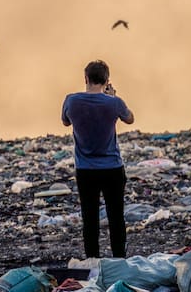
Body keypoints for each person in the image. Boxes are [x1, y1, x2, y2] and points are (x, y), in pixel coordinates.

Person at [61, 59, 135, 258]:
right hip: (112, 168)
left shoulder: (72, 100)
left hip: (85, 169)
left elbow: (66, 122)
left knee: (90, 218)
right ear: (106, 80)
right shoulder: (114, 103)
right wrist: (111, 97)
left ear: (85, 78)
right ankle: (119, 259)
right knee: (116, 217)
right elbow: (129, 118)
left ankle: (92, 260)